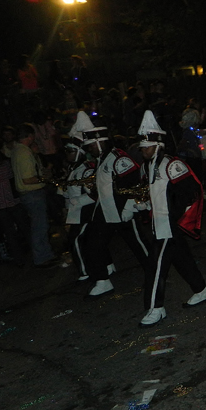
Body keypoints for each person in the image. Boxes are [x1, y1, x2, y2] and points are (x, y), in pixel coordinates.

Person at [137, 111, 206, 325]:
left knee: (156, 266)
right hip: (159, 224)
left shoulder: (172, 165)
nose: (143, 150)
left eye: (147, 146)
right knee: (182, 259)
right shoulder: (147, 166)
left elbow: (191, 191)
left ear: (158, 145)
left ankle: (155, 307)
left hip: (169, 226)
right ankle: (201, 289)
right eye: (142, 147)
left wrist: (176, 216)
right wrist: (145, 205)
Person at [77, 112, 149, 297]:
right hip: (106, 212)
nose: (90, 149)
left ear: (100, 141)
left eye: (91, 145)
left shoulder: (119, 158)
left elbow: (134, 182)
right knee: (91, 241)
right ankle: (102, 280)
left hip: (122, 211)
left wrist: (129, 207)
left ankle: (155, 271)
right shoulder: (101, 159)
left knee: (139, 245)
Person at [10, 124, 58, 268]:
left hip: (29, 194)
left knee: (40, 225)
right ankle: (42, 257)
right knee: (40, 226)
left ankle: (45, 254)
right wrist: (44, 179)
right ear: (29, 136)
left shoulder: (17, 150)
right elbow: (27, 178)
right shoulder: (24, 152)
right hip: (32, 193)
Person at [60, 124, 97, 281]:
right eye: (67, 151)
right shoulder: (73, 168)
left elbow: (94, 195)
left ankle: (85, 273)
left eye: (70, 151)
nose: (67, 154)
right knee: (88, 241)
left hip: (86, 211)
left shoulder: (86, 169)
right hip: (77, 211)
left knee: (76, 240)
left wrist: (75, 202)